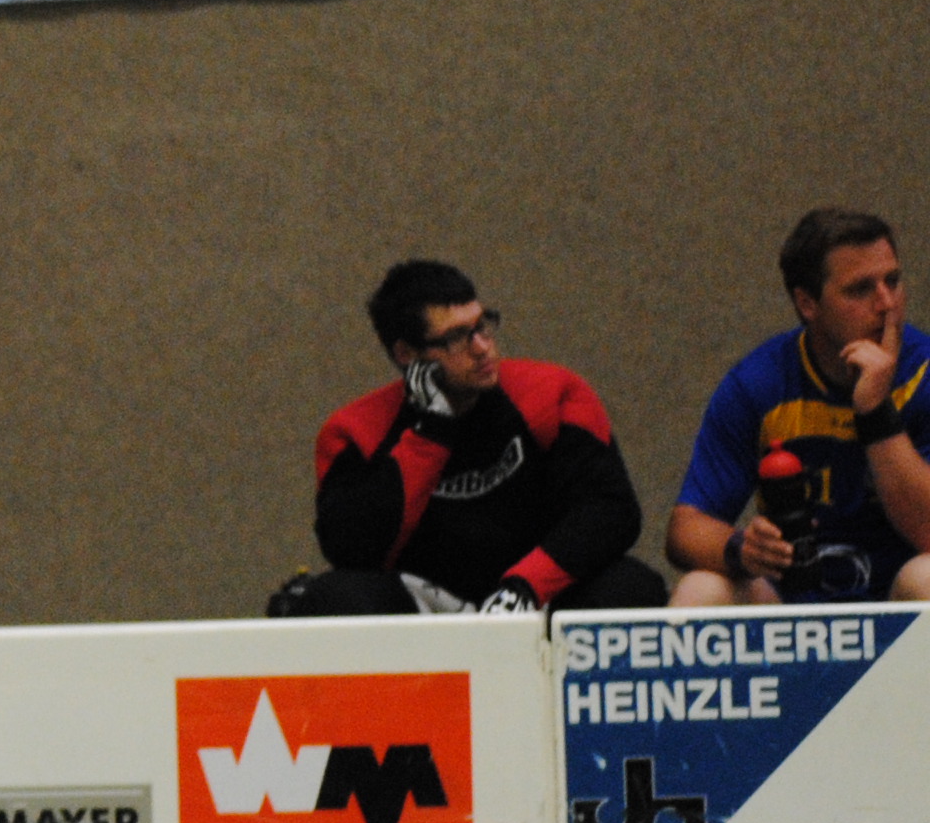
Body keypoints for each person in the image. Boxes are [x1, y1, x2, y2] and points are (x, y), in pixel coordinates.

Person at [276, 260, 665, 616]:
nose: (482, 348)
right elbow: (351, 550)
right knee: (334, 597)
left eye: (482, 326)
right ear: (407, 354)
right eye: (456, 338)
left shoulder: (551, 393)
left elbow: (612, 511)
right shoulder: (355, 431)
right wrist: (432, 430)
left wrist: (526, 586)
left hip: (536, 593)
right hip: (428, 603)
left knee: (631, 586)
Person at [668, 208, 930, 607]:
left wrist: (876, 412)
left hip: (900, 600)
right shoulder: (759, 382)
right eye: (860, 289)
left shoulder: (923, 372)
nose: (887, 303)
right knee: (701, 589)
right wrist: (742, 548)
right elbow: (686, 528)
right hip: (788, 607)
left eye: (892, 281)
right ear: (808, 303)